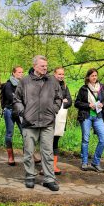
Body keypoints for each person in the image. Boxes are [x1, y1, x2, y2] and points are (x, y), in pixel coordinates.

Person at [13, 55, 62, 191]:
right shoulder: (24, 81)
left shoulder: (52, 81)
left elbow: (59, 97)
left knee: (47, 152)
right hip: (29, 123)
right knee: (29, 151)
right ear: (34, 66)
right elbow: (16, 100)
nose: (45, 68)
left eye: (46, 66)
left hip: (47, 122)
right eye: (42, 66)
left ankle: (49, 179)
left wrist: (54, 110)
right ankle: (29, 176)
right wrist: (24, 113)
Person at [74, 68, 104, 173]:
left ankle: (95, 162)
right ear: (88, 77)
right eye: (92, 75)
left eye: (95, 75)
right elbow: (77, 103)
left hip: (98, 116)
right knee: (86, 139)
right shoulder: (83, 89)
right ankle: (84, 162)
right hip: (86, 116)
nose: (94, 77)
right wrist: (89, 105)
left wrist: (103, 104)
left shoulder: (102, 88)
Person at [1, 66, 24, 166]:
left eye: (22, 72)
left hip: (20, 111)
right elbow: (11, 97)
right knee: (9, 133)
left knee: (25, 132)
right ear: (13, 73)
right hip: (9, 111)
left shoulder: (23, 85)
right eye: (19, 72)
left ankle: (29, 154)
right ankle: (10, 156)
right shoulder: (8, 85)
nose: (21, 74)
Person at [52, 67, 72, 175]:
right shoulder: (49, 84)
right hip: (50, 117)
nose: (61, 76)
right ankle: (46, 166)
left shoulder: (64, 86)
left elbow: (69, 101)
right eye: (59, 74)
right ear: (54, 74)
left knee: (55, 141)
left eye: (62, 74)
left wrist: (62, 103)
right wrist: (61, 100)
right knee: (47, 141)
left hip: (60, 118)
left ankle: (54, 166)